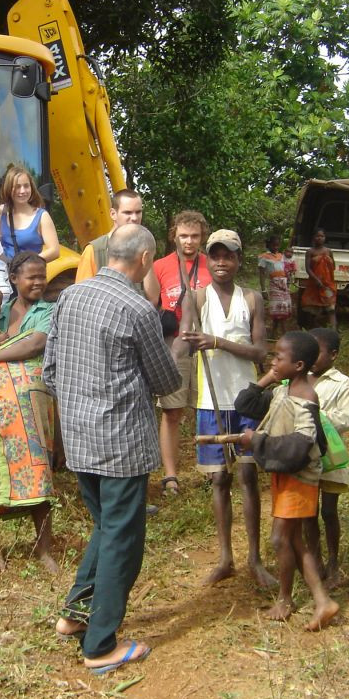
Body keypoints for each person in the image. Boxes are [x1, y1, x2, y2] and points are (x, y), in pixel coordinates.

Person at [46, 224, 183, 674]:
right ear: (144, 260)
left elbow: (49, 371)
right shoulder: (138, 308)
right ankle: (100, 645)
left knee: (106, 528)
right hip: (120, 441)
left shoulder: (70, 296)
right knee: (123, 538)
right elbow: (166, 381)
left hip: (79, 437)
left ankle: (75, 615)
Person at [180, 230, 273, 589]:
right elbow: (186, 341)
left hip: (246, 396)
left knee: (249, 477)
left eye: (228, 256)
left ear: (238, 260)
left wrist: (217, 341)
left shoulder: (252, 299)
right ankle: (225, 558)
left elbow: (260, 352)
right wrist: (187, 341)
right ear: (207, 259)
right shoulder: (196, 298)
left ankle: (254, 558)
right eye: (215, 255)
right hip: (210, 400)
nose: (221, 262)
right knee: (220, 478)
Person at [237, 331, 340, 631]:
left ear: (298, 365)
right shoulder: (283, 391)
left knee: (280, 538)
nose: (273, 361)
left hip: (299, 478)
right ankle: (322, 601)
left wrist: (257, 441)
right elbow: (245, 403)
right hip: (286, 476)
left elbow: (301, 443)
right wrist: (268, 377)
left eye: (279, 358)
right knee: (295, 540)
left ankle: (285, 598)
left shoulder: (306, 399)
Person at [0, 253, 58, 572]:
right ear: (14, 278)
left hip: (31, 400)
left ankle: (44, 549)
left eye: (42, 276)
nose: (38, 282)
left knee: (37, 466)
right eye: (31, 277)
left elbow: (33, 345)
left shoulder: (49, 311)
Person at [152, 210, 212, 495]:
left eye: (195, 236)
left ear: (203, 237)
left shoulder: (213, 265)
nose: (189, 242)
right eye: (184, 235)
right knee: (172, 412)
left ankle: (213, 468)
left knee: (208, 408)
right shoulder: (159, 266)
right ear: (174, 234)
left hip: (206, 347)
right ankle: (170, 475)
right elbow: (151, 305)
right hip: (172, 347)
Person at [303, 327, 349, 588]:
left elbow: (346, 419)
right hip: (305, 455)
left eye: (318, 352)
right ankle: (315, 560)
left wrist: (317, 417)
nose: (312, 357)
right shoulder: (299, 379)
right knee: (308, 511)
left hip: (330, 455)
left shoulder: (342, 383)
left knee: (328, 510)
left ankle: (334, 561)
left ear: (333, 355)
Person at [74, 188, 160, 304]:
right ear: (113, 214)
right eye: (128, 213)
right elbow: (81, 297)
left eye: (138, 212)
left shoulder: (144, 246)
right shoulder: (94, 250)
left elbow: (153, 299)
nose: (134, 218)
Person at [0, 166, 60, 262]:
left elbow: (55, 251)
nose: (22, 191)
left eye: (26, 186)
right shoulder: (0, 212)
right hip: (4, 273)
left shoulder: (42, 216)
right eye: (17, 187)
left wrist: (26, 264)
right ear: (9, 188)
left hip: (29, 273)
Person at [301, 228, 336, 329]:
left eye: (322, 236)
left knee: (331, 308)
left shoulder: (329, 251)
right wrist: (317, 279)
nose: (319, 238)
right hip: (314, 285)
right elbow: (308, 269)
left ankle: (334, 331)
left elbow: (333, 266)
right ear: (313, 238)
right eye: (317, 236)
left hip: (328, 286)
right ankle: (314, 331)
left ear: (325, 238)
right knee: (314, 310)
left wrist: (326, 277)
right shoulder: (310, 252)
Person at [258, 235, 292, 339]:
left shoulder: (281, 256)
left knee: (283, 309)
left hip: (284, 284)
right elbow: (262, 274)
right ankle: (284, 333)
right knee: (278, 308)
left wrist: (288, 280)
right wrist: (263, 290)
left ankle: (274, 333)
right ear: (269, 245)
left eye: (277, 245)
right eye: (274, 245)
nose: (276, 247)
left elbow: (285, 270)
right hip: (274, 284)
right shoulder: (263, 257)